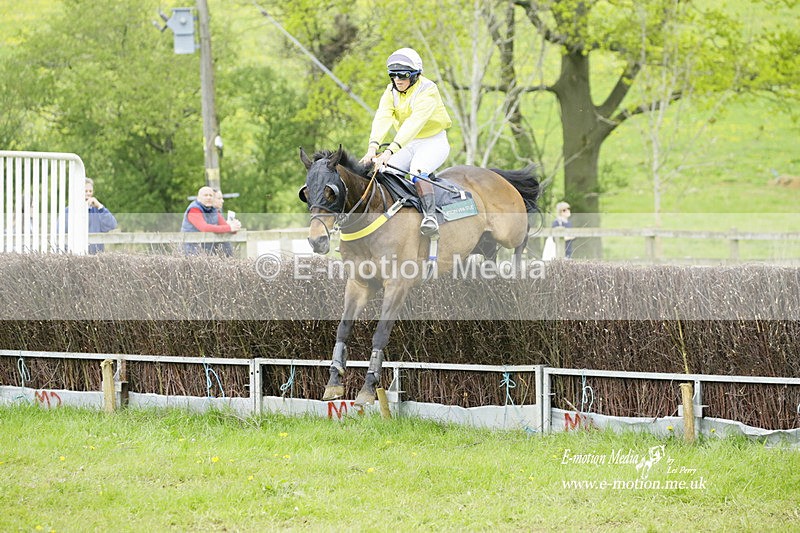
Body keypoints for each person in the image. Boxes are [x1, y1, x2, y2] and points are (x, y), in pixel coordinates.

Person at [359, 47, 452, 237]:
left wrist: (389, 152)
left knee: (418, 170)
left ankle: (430, 217)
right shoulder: (390, 90)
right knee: (382, 171)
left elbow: (413, 124)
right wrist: (372, 148)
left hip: (432, 142)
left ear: (415, 75)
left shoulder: (428, 89)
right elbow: (382, 117)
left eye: (403, 75)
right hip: (408, 143)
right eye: (393, 75)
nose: (398, 80)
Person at [180, 186, 241, 255]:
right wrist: (230, 228)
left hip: (207, 251)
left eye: (211, 195)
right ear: (198, 198)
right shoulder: (194, 210)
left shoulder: (213, 210)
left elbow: (226, 227)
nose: (208, 197)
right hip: (191, 251)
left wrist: (235, 226)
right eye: (205, 195)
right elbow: (204, 228)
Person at [85, 177, 117, 254]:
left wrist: (100, 206)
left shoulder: (98, 211)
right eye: (85, 191)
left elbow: (112, 225)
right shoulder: (68, 211)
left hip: (96, 258)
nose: (88, 193)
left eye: (90, 191)